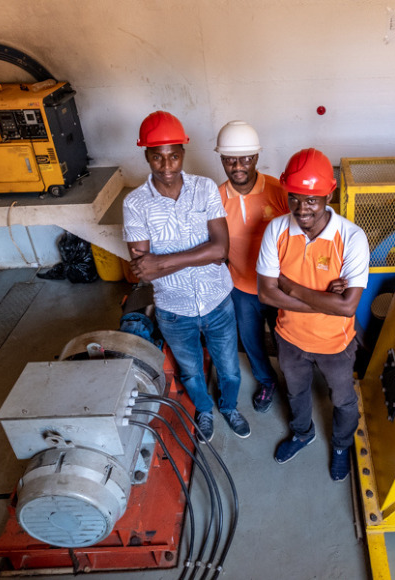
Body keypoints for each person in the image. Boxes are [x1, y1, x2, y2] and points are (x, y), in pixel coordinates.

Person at [123, 110, 250, 442]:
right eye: (157, 157)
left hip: (218, 300)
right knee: (191, 371)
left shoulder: (204, 189)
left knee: (230, 369)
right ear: (147, 156)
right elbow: (144, 270)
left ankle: (229, 406)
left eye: (174, 156)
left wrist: (162, 263)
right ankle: (205, 410)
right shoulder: (135, 204)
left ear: (183, 152)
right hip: (173, 309)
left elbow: (220, 250)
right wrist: (197, 255)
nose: (167, 166)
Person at [256, 148, 369, 481]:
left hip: (335, 343)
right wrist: (323, 300)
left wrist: (290, 287)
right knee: (295, 392)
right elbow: (266, 293)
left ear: (328, 194)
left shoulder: (351, 238)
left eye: (312, 200)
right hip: (289, 339)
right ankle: (302, 434)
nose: (302, 208)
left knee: (344, 401)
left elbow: (348, 306)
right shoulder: (276, 231)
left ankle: (340, 445)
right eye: (295, 198)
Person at [215, 121, 289, 413]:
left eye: (245, 158)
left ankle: (293, 384)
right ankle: (266, 380)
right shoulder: (216, 198)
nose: (238, 166)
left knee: (286, 340)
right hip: (241, 288)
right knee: (252, 341)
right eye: (230, 159)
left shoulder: (278, 191)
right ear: (222, 160)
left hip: (279, 285)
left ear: (256, 157)